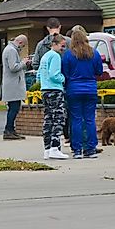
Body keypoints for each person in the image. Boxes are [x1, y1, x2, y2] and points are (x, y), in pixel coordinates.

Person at [62, 28, 102, 159]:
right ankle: (90, 149)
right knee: (90, 119)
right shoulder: (94, 53)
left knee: (76, 120)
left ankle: (77, 149)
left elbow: (65, 73)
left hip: (74, 89)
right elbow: (99, 71)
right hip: (90, 88)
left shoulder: (68, 55)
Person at [37, 34, 68, 159]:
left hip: (45, 89)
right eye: (62, 46)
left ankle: (47, 148)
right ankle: (55, 146)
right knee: (58, 118)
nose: (63, 49)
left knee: (48, 119)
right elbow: (54, 74)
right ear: (54, 44)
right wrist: (63, 79)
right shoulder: (55, 56)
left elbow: (39, 74)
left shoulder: (45, 56)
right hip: (55, 90)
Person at [1, 34, 31, 140]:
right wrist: (23, 63)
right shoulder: (11, 50)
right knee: (13, 108)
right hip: (13, 85)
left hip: (13, 84)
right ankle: (8, 130)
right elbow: (13, 67)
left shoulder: (10, 49)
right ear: (20, 42)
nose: (21, 49)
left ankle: (11, 130)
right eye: (23, 46)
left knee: (14, 108)